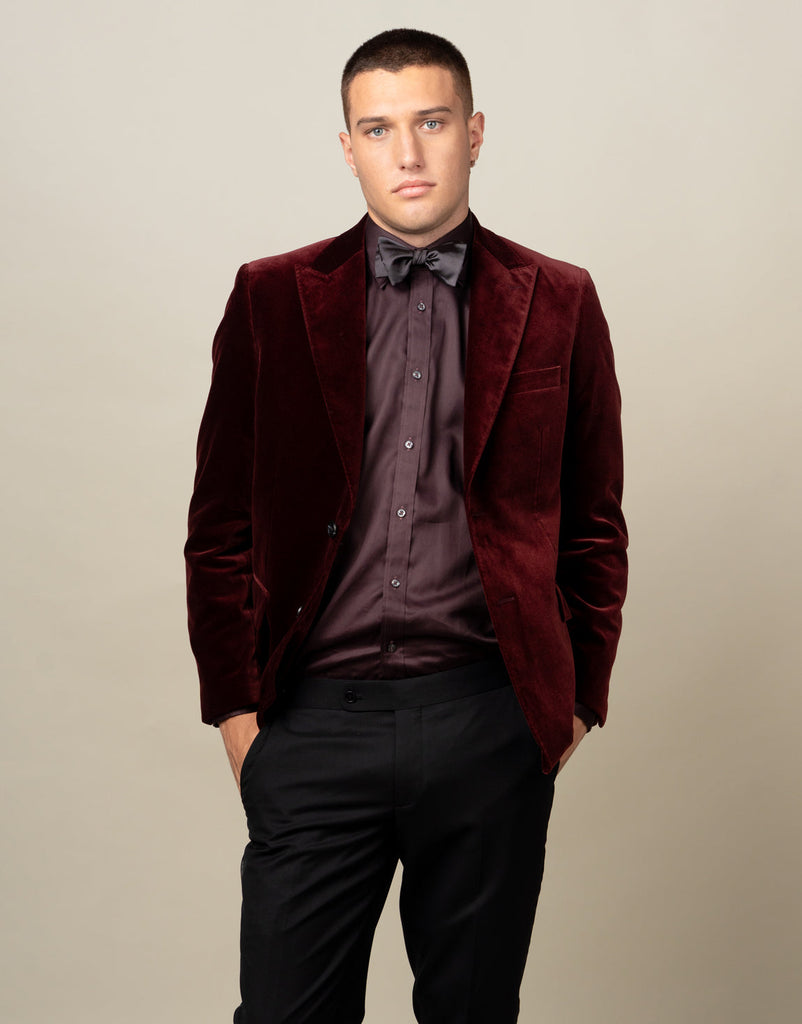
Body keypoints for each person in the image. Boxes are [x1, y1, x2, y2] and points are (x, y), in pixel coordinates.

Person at [185, 27, 627, 1024]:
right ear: (347, 147)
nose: (409, 152)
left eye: (431, 122)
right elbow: (219, 528)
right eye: (379, 129)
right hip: (312, 724)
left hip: (487, 719)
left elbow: (595, 523)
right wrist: (239, 719)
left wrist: (570, 708)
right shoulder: (270, 298)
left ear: (474, 132)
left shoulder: (559, 299)